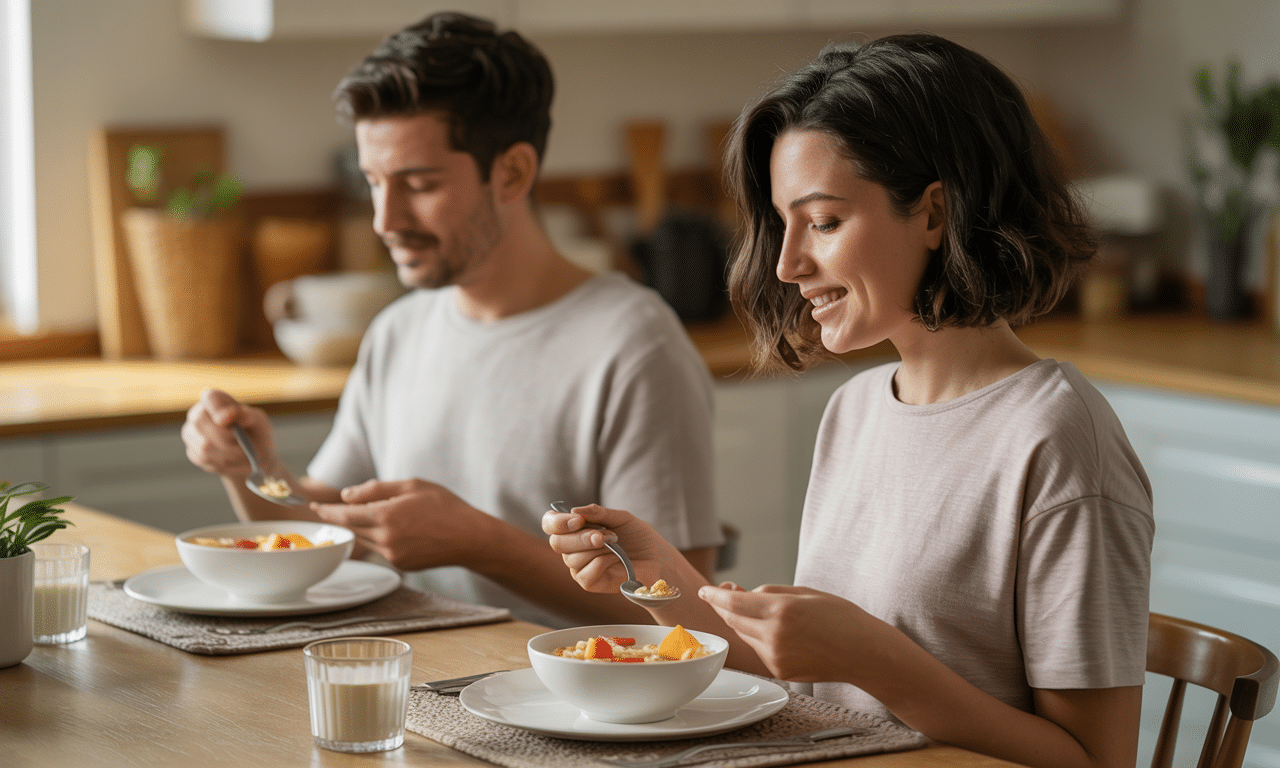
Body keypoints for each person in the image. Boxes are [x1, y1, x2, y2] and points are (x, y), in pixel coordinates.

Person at [543, 33, 1153, 767]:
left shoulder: (1056, 438)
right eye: (784, 223)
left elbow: (1097, 761)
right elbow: (812, 682)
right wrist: (656, 572)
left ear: (933, 213)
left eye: (825, 222)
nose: (788, 263)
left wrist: (876, 658)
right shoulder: (859, 407)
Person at [181, 11, 722, 629]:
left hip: (573, 711)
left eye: (418, 183)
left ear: (513, 172)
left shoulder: (635, 346)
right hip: (420, 689)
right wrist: (252, 468)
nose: (385, 219)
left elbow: (683, 615)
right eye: (374, 183)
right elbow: (323, 533)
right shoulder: (399, 331)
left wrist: (478, 542)